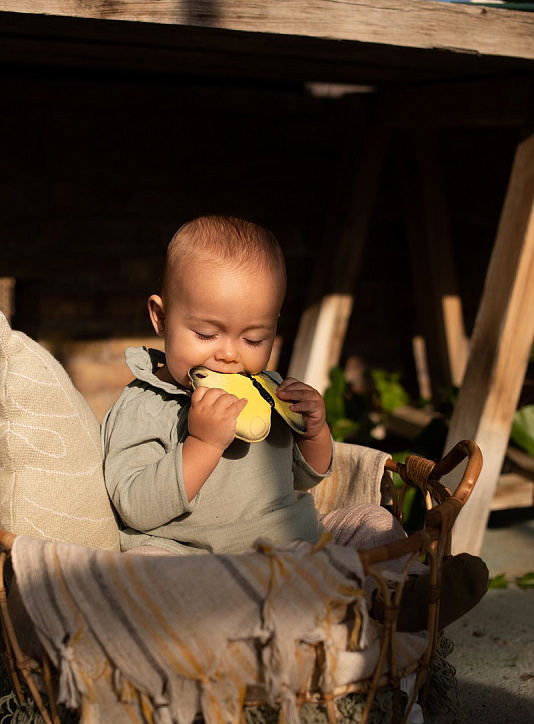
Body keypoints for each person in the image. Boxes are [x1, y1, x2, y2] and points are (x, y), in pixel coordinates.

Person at [102, 215, 488, 630]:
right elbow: (134, 507)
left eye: (253, 339)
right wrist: (204, 443)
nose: (230, 355)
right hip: (196, 560)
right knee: (142, 567)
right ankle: (288, 620)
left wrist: (314, 431)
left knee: (372, 521)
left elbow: (305, 478)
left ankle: (395, 597)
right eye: (206, 334)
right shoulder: (145, 404)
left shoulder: (267, 392)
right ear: (161, 317)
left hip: (296, 546)